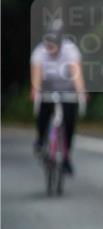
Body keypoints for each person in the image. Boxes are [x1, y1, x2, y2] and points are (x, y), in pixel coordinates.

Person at [31, 19, 87, 174]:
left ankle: (66, 157)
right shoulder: (39, 52)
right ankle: (41, 139)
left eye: (54, 45)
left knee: (69, 120)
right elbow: (36, 78)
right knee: (43, 109)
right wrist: (36, 92)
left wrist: (81, 93)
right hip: (48, 87)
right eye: (48, 45)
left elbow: (77, 76)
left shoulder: (71, 51)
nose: (51, 49)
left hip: (67, 88)